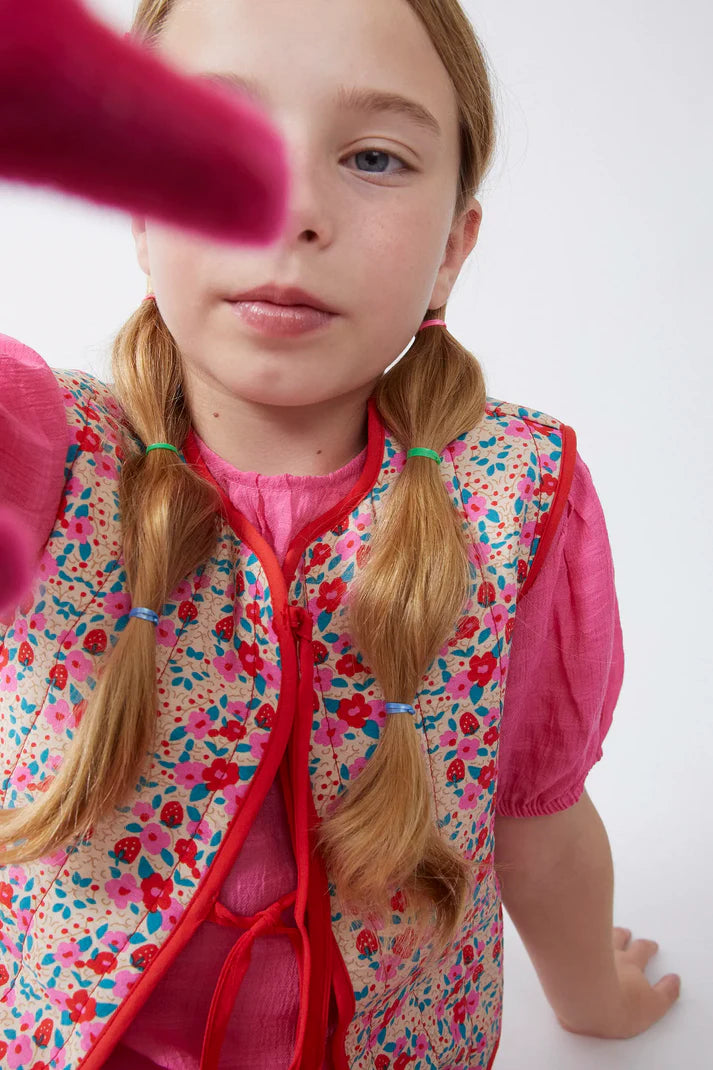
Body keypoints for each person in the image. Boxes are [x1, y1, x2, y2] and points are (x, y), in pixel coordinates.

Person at [0, 1, 682, 1068]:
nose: (291, 207)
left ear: (452, 247)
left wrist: (594, 995)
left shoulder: (516, 499)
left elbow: (534, 812)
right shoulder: (43, 452)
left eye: (372, 157)